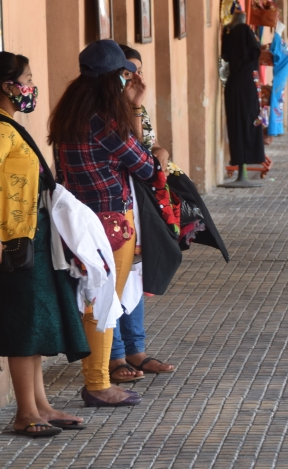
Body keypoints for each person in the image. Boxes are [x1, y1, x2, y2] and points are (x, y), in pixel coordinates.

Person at [0, 48, 91, 436]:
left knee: (35, 322)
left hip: (29, 237)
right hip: (12, 241)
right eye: (28, 80)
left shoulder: (1, 122)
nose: (32, 87)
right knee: (24, 325)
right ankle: (25, 413)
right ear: (9, 86)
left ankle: (41, 406)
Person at [49, 39, 154, 407]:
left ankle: (99, 379)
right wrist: (136, 109)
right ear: (113, 78)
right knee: (102, 303)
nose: (128, 80)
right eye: (124, 75)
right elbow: (145, 166)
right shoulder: (106, 121)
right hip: (111, 222)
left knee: (93, 299)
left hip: (78, 221)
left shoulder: (69, 114)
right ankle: (98, 384)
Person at [106, 45, 176, 383]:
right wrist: (132, 106)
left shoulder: (136, 108)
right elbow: (137, 157)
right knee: (111, 281)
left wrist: (162, 151)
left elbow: (148, 146)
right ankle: (115, 355)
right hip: (109, 208)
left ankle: (135, 349)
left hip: (135, 203)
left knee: (132, 275)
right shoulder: (103, 113)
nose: (135, 79)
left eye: (138, 72)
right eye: (127, 73)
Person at [222, 11, 266, 169]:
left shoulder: (230, 36)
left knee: (236, 125)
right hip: (249, 87)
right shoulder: (250, 55)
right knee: (251, 121)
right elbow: (255, 50)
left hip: (234, 86)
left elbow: (226, 54)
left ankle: (240, 159)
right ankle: (251, 157)